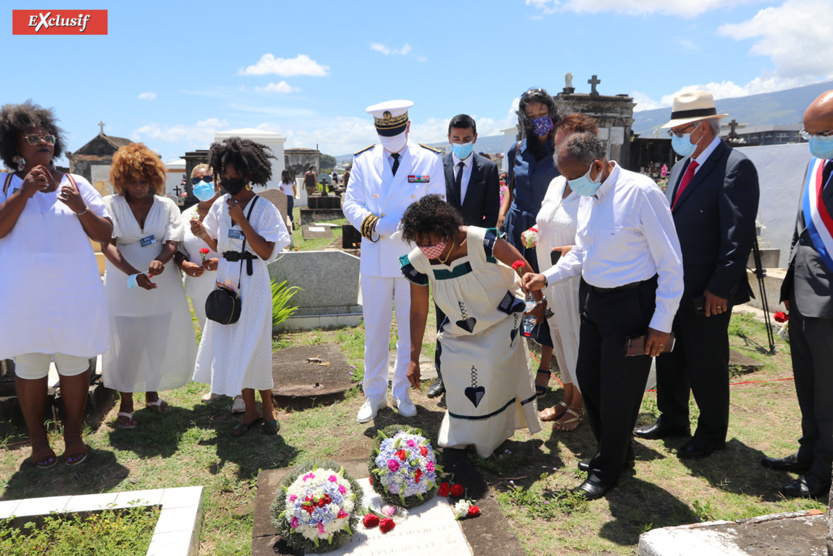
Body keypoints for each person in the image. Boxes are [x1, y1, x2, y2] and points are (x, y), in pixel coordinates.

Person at [523, 133, 684, 500]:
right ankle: (617, 452)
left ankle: (607, 467)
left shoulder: (640, 193)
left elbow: (671, 263)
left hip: (632, 305)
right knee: (589, 380)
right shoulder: (588, 196)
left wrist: (662, 322)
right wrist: (546, 276)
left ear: (597, 166)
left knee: (618, 391)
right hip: (594, 300)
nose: (570, 185)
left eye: (573, 177)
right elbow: (583, 251)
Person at [635, 91, 759, 459]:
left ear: (703, 128)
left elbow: (737, 236)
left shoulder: (735, 166)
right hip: (674, 284)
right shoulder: (680, 168)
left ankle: (711, 431)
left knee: (707, 361)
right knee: (671, 354)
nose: (675, 136)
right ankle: (673, 418)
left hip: (708, 287)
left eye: (681, 129)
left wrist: (721, 287)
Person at [0, 101, 113, 467]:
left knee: (74, 362)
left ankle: (73, 434)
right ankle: (37, 441)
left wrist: (81, 207)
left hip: (73, 292)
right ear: (14, 147)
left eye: (47, 136)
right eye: (32, 137)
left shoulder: (76, 183)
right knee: (30, 366)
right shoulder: (5, 184)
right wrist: (24, 193)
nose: (42, 141)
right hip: (24, 297)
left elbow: (105, 232)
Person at [401, 195, 542, 456]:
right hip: (460, 326)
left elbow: (521, 265)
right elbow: (419, 311)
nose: (425, 247)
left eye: (430, 241)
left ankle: (490, 440)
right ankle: (463, 436)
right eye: (419, 242)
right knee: (454, 372)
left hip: (500, 316)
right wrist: (413, 358)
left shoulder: (480, 240)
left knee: (488, 366)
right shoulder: (418, 260)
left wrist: (538, 299)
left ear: (446, 230)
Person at [343, 99, 445, 423]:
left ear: (408, 127)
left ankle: (401, 390)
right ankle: (374, 393)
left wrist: (416, 227)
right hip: (375, 254)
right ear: (377, 130)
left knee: (407, 328)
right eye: (384, 133)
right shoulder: (362, 161)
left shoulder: (429, 159)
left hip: (411, 254)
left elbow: (438, 202)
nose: (391, 139)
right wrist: (375, 224)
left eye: (396, 131)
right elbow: (350, 203)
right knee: (375, 329)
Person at [191, 137, 291, 436]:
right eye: (225, 177)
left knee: (255, 343)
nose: (229, 182)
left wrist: (241, 219)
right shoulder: (221, 205)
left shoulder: (264, 209)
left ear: (249, 175)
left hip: (253, 276)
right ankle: (249, 412)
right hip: (228, 274)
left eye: (235, 178)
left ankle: (268, 408)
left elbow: (265, 251)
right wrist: (202, 234)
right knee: (234, 340)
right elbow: (219, 245)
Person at [762, 90, 833, 497]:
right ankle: (809, 450)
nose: (813, 141)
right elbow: (801, 231)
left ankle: (824, 470)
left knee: (829, 390)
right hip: (805, 294)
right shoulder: (818, 166)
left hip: (830, 303)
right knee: (808, 385)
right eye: (808, 133)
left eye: (821, 132)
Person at [100, 143, 196, 429]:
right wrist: (134, 275)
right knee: (128, 343)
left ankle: (152, 394)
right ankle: (126, 403)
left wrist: (161, 261)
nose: (139, 186)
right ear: (121, 180)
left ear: (154, 178)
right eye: (132, 181)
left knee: (157, 338)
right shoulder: (111, 205)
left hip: (161, 282)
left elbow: (172, 241)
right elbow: (107, 244)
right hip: (124, 283)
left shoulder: (166, 206)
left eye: (144, 180)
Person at [524, 113, 599, 432]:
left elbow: (595, 235)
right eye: (555, 142)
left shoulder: (591, 186)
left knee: (576, 338)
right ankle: (567, 396)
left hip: (574, 279)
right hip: (548, 275)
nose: (556, 149)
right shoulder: (556, 182)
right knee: (557, 336)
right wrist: (534, 232)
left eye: (562, 143)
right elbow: (548, 221)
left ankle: (581, 403)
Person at [427, 114, 500, 399]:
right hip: (442, 251)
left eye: (466, 140)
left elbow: (491, 214)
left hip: (472, 250)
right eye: (456, 140)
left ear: (475, 138)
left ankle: (477, 371)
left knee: (475, 311)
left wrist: (481, 248)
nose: (460, 144)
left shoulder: (488, 168)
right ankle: (444, 376)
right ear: (448, 138)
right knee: (444, 312)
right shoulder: (437, 166)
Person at [498, 88, 561, 401]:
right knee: (518, 294)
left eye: (543, 114)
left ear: (551, 112)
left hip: (547, 231)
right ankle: (517, 360)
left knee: (547, 297)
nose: (538, 120)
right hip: (517, 229)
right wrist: (500, 220)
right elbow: (509, 188)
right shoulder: (516, 149)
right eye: (531, 116)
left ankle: (546, 365)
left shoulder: (563, 147)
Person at [173, 164, 246, 412]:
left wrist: (222, 261)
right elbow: (178, 249)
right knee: (210, 334)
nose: (202, 183)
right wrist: (184, 264)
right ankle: (218, 385)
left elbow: (242, 245)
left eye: (207, 178)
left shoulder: (229, 207)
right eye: (196, 181)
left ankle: (240, 392)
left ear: (218, 181)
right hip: (198, 284)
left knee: (234, 333)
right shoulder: (185, 215)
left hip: (228, 281)